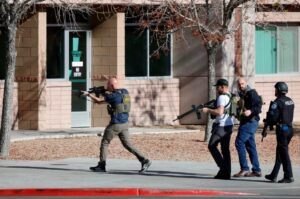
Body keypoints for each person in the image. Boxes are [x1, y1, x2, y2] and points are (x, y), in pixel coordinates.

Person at [82, 77, 152, 173]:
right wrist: (103, 92)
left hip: (116, 124)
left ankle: (101, 165)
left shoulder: (112, 96)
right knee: (128, 145)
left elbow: (99, 101)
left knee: (105, 142)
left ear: (111, 86)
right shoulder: (124, 92)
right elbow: (110, 98)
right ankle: (144, 160)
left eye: (108, 85)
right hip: (125, 124)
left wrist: (89, 95)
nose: (106, 87)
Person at [202, 78, 234, 180]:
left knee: (211, 145)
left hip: (221, 125)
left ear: (222, 87)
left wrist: (208, 110)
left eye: (218, 87)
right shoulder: (231, 95)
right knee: (225, 150)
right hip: (229, 125)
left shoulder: (222, 97)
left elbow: (219, 112)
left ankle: (223, 168)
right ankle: (226, 173)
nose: (217, 89)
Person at [264, 82, 294, 183]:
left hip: (282, 130)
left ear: (279, 90)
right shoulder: (290, 100)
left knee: (284, 153)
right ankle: (274, 175)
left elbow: (273, 117)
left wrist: (268, 121)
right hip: (290, 129)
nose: (275, 91)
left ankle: (288, 176)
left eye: (276, 89)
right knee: (280, 152)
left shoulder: (278, 102)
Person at [233, 78, 262, 177]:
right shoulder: (242, 94)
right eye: (239, 84)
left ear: (246, 83)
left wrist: (250, 111)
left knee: (239, 142)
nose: (241, 85)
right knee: (250, 145)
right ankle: (256, 170)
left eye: (242, 83)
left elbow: (258, 107)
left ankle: (244, 169)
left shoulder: (252, 93)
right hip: (246, 121)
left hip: (250, 122)